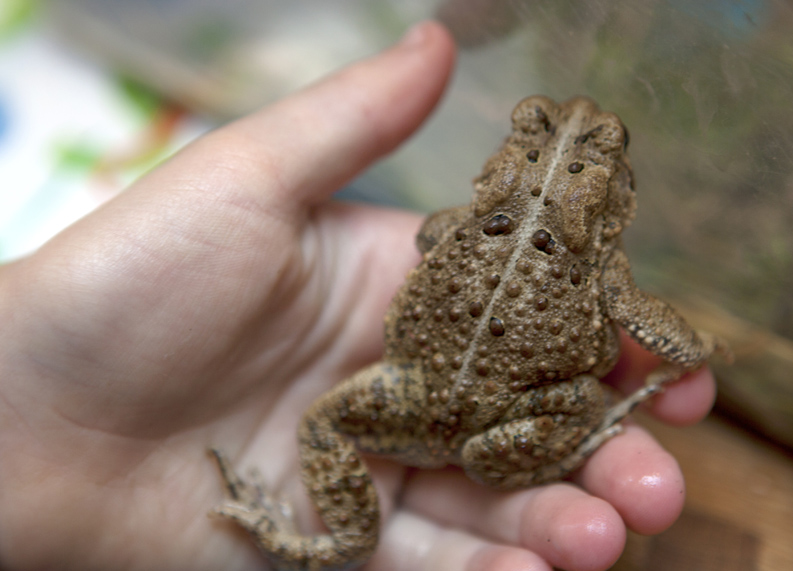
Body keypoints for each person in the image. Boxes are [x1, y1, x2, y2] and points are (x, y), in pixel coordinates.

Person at [0, 22, 717, 571]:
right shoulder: (603, 267)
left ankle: (339, 539)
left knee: (321, 426)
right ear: (612, 199)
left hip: (414, 389)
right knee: (589, 399)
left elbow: (433, 236)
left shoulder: (463, 222)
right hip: (505, 420)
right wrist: (699, 347)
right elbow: (674, 345)